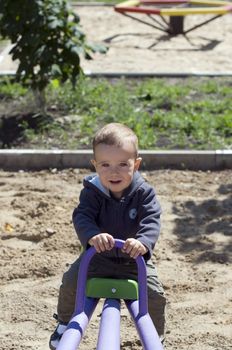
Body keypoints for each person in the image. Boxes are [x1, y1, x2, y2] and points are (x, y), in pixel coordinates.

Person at [49, 123, 166, 350]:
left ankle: (155, 336)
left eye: (123, 164)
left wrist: (142, 242)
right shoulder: (92, 192)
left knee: (154, 293)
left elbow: (151, 219)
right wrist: (93, 236)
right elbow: (82, 216)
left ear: (137, 164)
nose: (114, 172)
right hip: (97, 259)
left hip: (134, 261)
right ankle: (64, 323)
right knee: (71, 281)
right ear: (95, 165)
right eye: (106, 165)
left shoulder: (144, 193)